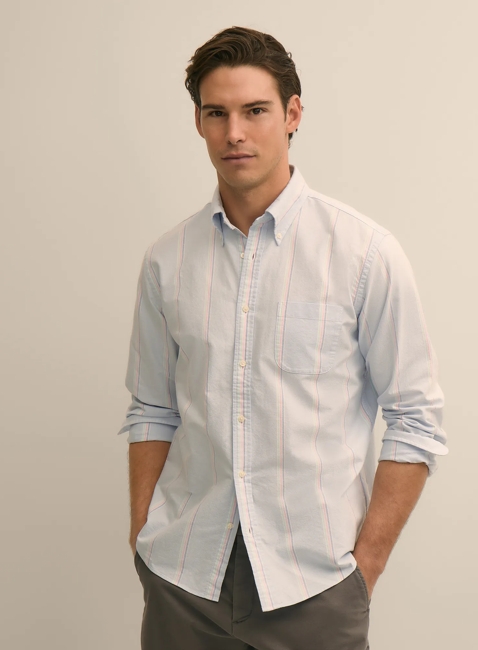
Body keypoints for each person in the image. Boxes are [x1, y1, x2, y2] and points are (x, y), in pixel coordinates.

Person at [118, 25, 448, 650]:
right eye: (216, 113)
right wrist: (143, 537)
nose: (234, 133)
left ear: (293, 114)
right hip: (184, 580)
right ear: (198, 122)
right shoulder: (168, 261)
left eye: (255, 111)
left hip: (314, 587)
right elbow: (152, 410)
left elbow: (416, 418)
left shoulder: (364, 254)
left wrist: (365, 570)